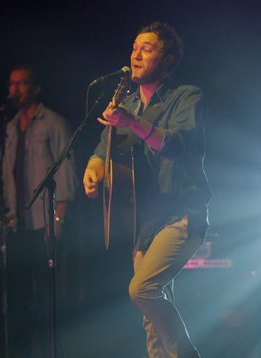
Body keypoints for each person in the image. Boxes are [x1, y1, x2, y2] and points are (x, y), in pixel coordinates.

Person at [83, 22, 211, 357]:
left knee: (142, 290)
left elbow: (175, 144)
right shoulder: (126, 103)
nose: (136, 55)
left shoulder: (187, 96)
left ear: (168, 60)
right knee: (151, 321)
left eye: (147, 48)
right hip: (144, 224)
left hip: (182, 214)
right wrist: (93, 170)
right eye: (134, 47)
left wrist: (131, 122)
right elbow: (102, 152)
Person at [0, 65, 78, 358]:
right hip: (17, 225)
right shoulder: (10, 127)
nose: (17, 89)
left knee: (46, 296)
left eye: (23, 83)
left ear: (36, 88)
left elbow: (66, 175)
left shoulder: (53, 123)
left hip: (45, 224)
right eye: (12, 83)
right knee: (18, 297)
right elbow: (3, 175)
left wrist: (59, 220)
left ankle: (49, 350)